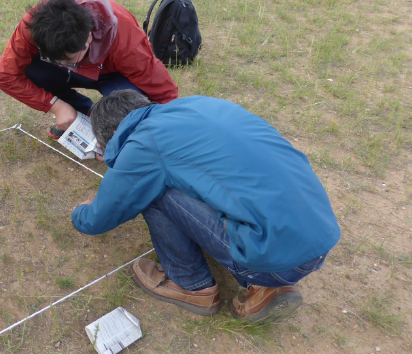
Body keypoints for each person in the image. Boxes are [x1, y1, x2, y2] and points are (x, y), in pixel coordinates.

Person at [71, 91, 340, 323]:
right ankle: (266, 286)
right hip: (319, 236)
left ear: (115, 134)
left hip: (273, 255)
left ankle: (190, 285)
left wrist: (81, 211)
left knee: (151, 190)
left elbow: (99, 219)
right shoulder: (197, 104)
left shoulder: (143, 142)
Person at [0, 0, 178, 139]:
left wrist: (166, 131)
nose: (61, 65)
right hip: (80, 68)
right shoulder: (36, 24)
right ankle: (82, 117)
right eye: (52, 59)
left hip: (110, 74)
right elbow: (7, 76)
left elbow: (165, 93)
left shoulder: (125, 41)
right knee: (30, 70)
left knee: (131, 110)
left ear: (89, 37)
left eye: (68, 59)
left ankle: (111, 128)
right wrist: (56, 106)